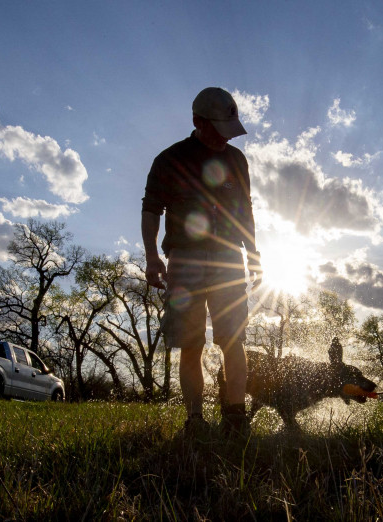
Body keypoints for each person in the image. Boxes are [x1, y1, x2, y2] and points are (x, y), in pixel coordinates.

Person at [141, 87, 262, 437]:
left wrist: (253, 254)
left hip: (228, 258)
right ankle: (195, 420)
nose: (225, 139)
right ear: (197, 121)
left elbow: (245, 211)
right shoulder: (169, 159)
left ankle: (235, 417)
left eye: (230, 130)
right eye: (218, 130)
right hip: (184, 258)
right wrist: (152, 256)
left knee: (233, 339)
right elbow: (151, 209)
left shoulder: (237, 161)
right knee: (191, 342)